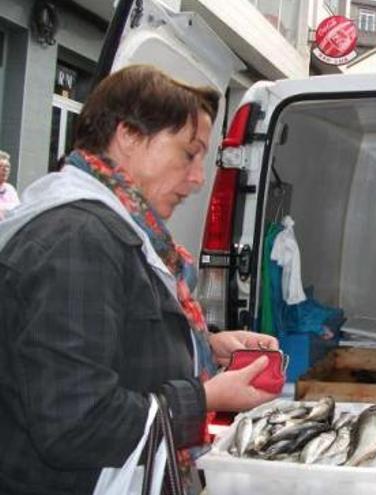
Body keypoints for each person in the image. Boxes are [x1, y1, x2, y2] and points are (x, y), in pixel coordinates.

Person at [0, 65, 280, 494]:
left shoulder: (113, 228)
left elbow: (114, 340)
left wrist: (204, 347)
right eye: (189, 153)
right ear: (128, 136)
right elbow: (77, 423)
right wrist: (205, 398)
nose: (198, 178)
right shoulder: (78, 239)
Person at [0, 150, 20, 219]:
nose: (5, 169)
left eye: (7, 167)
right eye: (1, 166)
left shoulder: (10, 189)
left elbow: (18, 211)